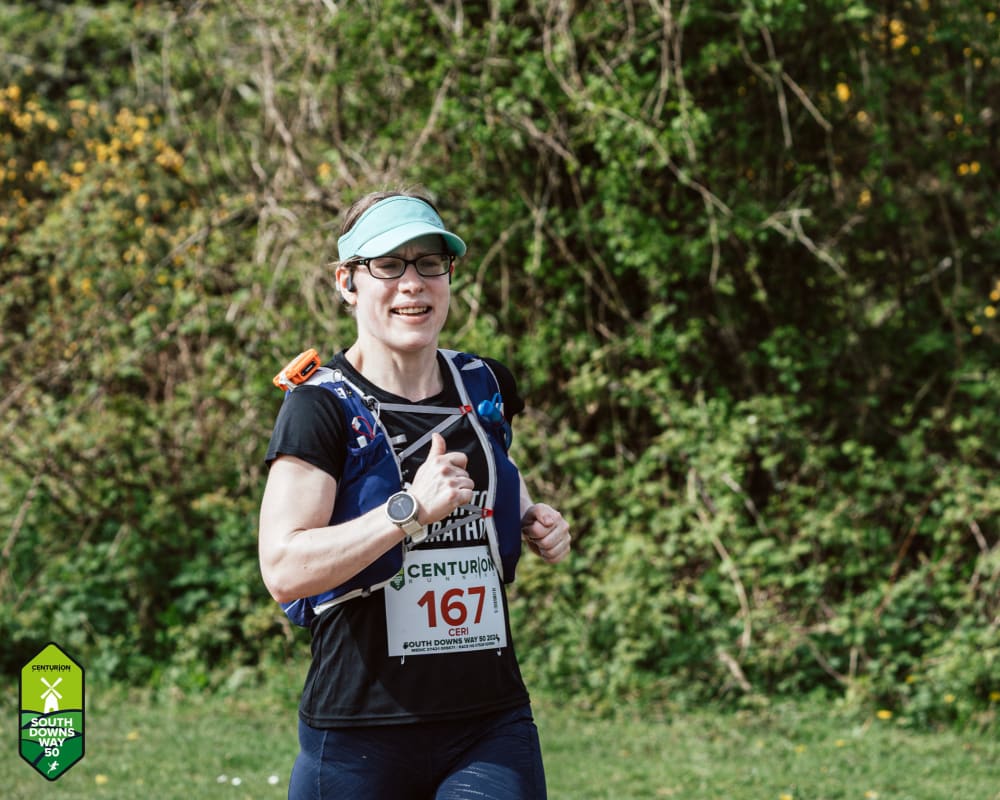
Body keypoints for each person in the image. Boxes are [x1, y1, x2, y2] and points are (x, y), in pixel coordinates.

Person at [258, 190, 572, 799]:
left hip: (489, 722)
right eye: (389, 265)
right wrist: (408, 512)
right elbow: (284, 568)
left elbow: (496, 465)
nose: (413, 283)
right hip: (357, 733)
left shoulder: (485, 382)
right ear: (348, 282)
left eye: (431, 263)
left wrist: (532, 515)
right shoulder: (319, 406)